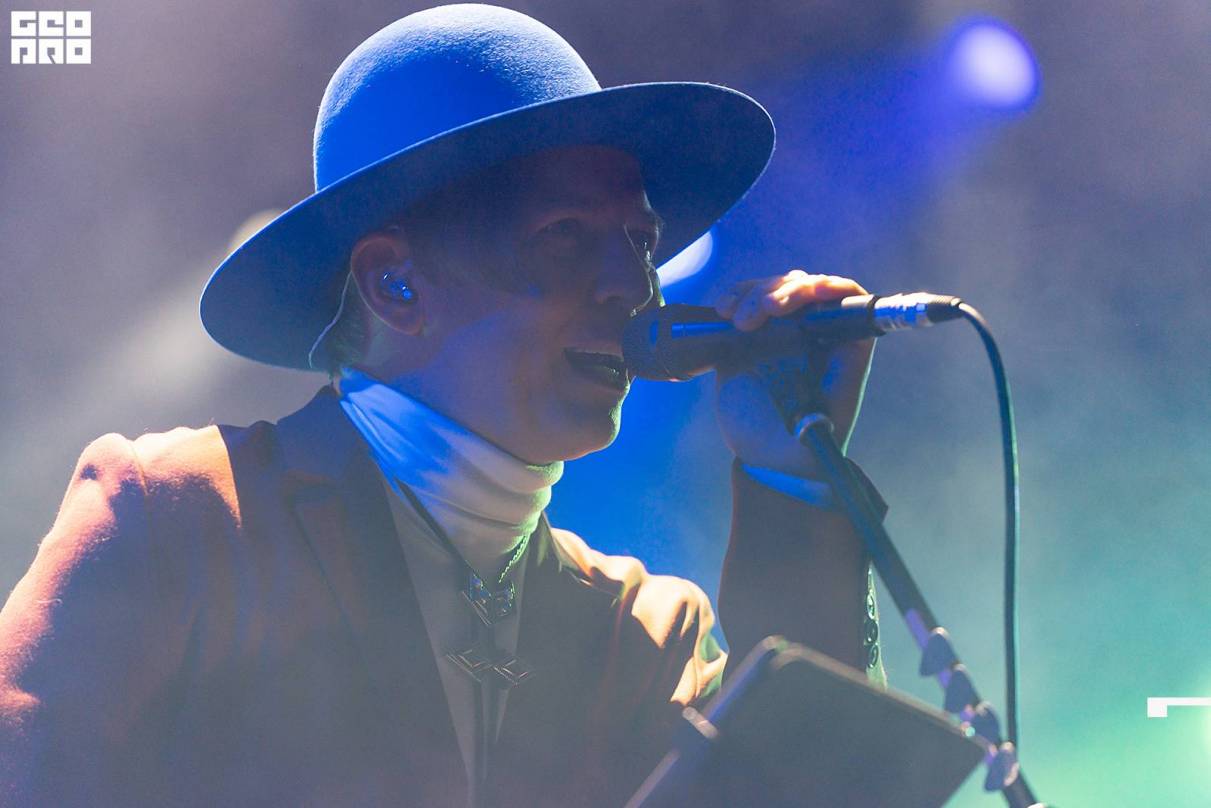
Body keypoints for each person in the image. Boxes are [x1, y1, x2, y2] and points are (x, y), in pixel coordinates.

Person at [0, 5, 883, 806]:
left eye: (639, 242)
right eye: (566, 236)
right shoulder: (180, 518)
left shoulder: (645, 632)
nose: (633, 286)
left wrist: (793, 479)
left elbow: (818, 795)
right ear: (394, 281)